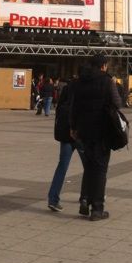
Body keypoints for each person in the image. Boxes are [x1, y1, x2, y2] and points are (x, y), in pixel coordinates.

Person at [70, 54, 121, 221]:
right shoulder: (107, 81)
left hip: (84, 130)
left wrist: (73, 127)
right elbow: (117, 103)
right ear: (103, 66)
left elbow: (74, 106)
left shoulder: (80, 82)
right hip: (102, 131)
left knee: (90, 167)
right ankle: (97, 208)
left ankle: (85, 201)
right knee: (100, 169)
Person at [47, 77, 87, 212]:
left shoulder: (66, 90)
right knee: (89, 168)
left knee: (62, 166)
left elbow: (58, 111)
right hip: (80, 136)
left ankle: (53, 198)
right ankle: (85, 197)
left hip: (65, 136)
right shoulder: (84, 91)